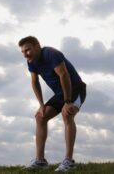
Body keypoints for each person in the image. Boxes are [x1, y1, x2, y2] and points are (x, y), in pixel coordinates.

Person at [18, 36, 86, 172]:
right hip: (60, 94)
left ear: (37, 46)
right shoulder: (31, 61)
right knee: (40, 116)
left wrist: (67, 102)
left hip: (75, 89)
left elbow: (64, 75)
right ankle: (40, 161)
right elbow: (34, 81)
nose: (25, 55)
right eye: (23, 52)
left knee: (67, 115)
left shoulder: (51, 54)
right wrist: (41, 105)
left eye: (28, 50)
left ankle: (68, 161)